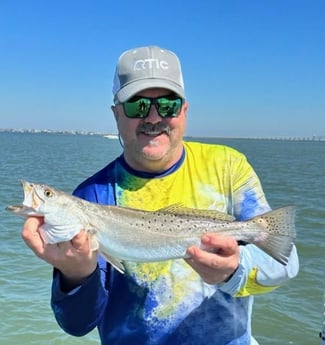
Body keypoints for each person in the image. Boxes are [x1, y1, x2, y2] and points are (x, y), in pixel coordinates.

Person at [22, 45, 299, 345]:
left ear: (184, 110)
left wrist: (233, 269)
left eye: (167, 104)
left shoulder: (228, 167)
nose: (153, 117)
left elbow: (286, 263)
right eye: (137, 105)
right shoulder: (92, 196)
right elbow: (76, 325)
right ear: (116, 113)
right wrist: (76, 273)